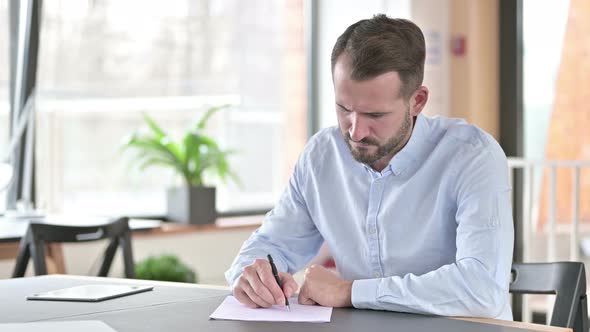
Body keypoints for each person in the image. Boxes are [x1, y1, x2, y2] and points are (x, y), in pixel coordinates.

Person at [225, 14, 514, 320]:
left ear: (417, 101)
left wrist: (350, 292)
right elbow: (270, 244)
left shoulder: (472, 157)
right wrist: (254, 276)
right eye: (344, 109)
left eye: (375, 115)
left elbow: (482, 289)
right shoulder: (322, 156)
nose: (355, 131)